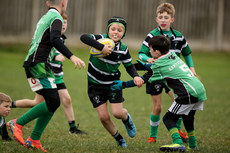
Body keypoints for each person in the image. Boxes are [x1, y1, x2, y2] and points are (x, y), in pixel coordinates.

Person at [7, 0, 85, 152]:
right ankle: (17, 123)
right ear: (64, 2)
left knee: (53, 101)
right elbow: (55, 39)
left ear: (48, 2)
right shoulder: (56, 17)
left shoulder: (46, 16)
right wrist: (72, 56)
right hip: (39, 63)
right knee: (54, 101)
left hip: (40, 62)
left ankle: (34, 139)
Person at [111, 35, 207, 152]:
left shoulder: (157, 66)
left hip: (187, 93)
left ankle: (178, 143)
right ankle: (193, 145)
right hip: (199, 89)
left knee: (168, 119)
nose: (150, 52)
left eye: (150, 50)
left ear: (156, 51)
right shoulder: (172, 54)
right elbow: (163, 65)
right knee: (188, 117)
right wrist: (146, 66)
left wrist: (123, 84)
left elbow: (141, 81)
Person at [134, 2, 197, 143]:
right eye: (160, 17)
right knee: (158, 107)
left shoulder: (179, 36)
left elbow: (187, 53)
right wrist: (148, 58)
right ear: (156, 19)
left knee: (178, 102)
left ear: (172, 20)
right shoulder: (152, 35)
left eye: (166, 17)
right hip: (156, 75)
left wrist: (192, 68)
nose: (163, 20)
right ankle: (152, 136)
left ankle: (179, 131)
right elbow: (141, 54)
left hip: (172, 76)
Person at [80, 16, 143, 148]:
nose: (116, 32)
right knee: (103, 117)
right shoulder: (100, 39)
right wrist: (100, 47)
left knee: (117, 113)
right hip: (95, 85)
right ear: (108, 30)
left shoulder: (123, 48)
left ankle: (126, 118)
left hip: (113, 84)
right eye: (113, 29)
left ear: (123, 33)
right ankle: (119, 138)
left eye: (120, 30)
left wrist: (136, 76)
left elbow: (129, 66)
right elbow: (84, 37)